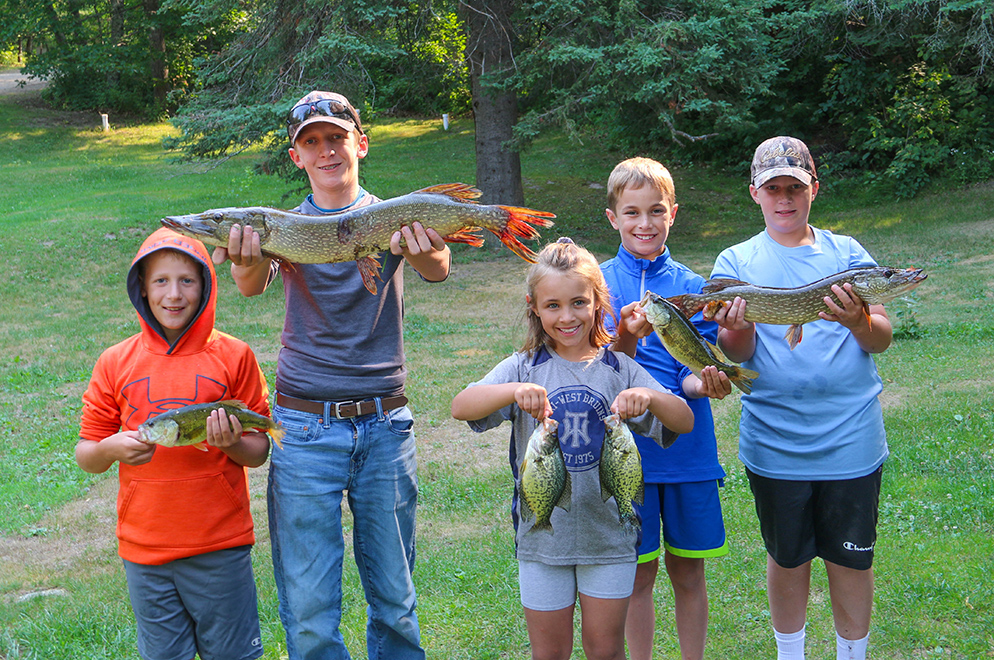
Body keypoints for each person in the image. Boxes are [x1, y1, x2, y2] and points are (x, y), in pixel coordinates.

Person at [211, 90, 451, 660]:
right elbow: (249, 285)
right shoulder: (281, 225)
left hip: (385, 423)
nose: (326, 151)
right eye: (311, 143)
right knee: (311, 611)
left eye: (336, 138)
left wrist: (417, 247)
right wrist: (245, 257)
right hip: (303, 424)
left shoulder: (395, 214)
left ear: (360, 145)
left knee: (396, 601)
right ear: (297, 157)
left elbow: (438, 270)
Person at [451, 238, 695, 660]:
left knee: (605, 651)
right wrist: (512, 390)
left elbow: (684, 420)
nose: (567, 317)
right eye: (553, 306)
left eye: (579, 302)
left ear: (600, 303)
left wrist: (651, 398)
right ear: (534, 306)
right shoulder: (524, 366)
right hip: (542, 542)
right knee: (549, 654)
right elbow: (461, 406)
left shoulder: (621, 369)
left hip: (611, 542)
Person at [710, 136, 893, 660]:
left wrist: (858, 318)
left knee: (851, 560)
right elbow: (735, 349)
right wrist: (735, 328)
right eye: (773, 189)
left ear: (815, 188)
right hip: (776, 445)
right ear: (755, 193)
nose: (784, 198)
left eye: (795, 186)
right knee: (788, 559)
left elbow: (879, 337)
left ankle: (851, 655)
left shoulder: (848, 254)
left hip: (851, 439)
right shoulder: (737, 259)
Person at [77, 227, 273, 660]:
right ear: (142, 290)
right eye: (161, 281)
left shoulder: (235, 355)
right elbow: (87, 454)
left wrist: (232, 445)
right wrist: (112, 448)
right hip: (146, 552)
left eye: (187, 280)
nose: (174, 294)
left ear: (206, 286)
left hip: (221, 546)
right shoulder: (114, 362)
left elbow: (259, 450)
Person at [599, 157, 732, 660]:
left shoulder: (696, 287)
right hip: (625, 456)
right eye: (631, 213)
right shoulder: (596, 285)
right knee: (637, 575)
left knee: (689, 571)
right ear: (613, 218)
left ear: (673, 213)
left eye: (656, 211)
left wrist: (703, 384)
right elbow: (595, 365)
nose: (645, 224)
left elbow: (694, 368)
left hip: (688, 454)